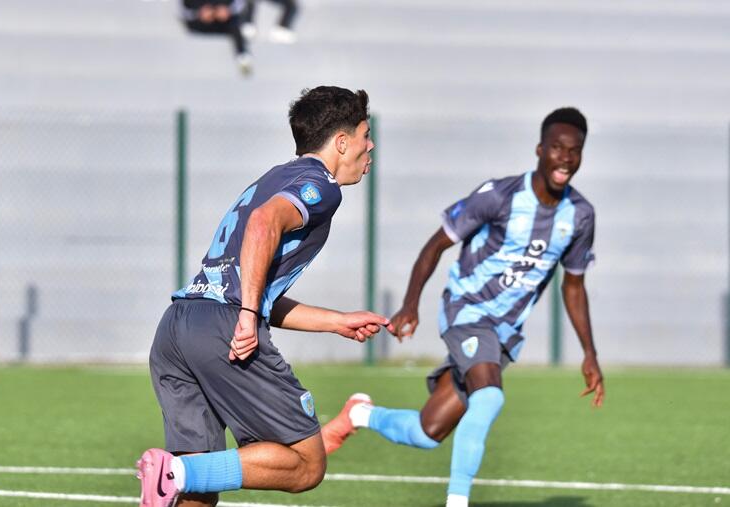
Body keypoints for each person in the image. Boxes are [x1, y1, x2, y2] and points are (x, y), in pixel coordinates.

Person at [322, 107, 605, 507]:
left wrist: (589, 352)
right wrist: (410, 303)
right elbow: (436, 244)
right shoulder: (499, 196)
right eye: (557, 148)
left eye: (575, 151)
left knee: (428, 431)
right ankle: (458, 502)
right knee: (488, 397)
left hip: (504, 333)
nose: (566, 158)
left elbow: (573, 286)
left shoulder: (580, 216)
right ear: (540, 149)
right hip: (467, 311)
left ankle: (359, 415)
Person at [137, 86, 392, 507]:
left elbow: (249, 282)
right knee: (306, 463)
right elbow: (263, 224)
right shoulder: (322, 186)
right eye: (366, 135)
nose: (371, 146)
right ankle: (176, 471)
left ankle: (177, 474)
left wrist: (336, 321)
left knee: (199, 491)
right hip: (223, 329)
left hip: (181, 325)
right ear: (342, 142)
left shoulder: (274, 177)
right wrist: (246, 315)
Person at [181, 0, 253, 75]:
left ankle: (242, 56)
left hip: (225, 21)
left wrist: (228, 11)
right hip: (198, 22)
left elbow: (240, 5)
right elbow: (183, 11)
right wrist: (198, 13)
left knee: (235, 26)